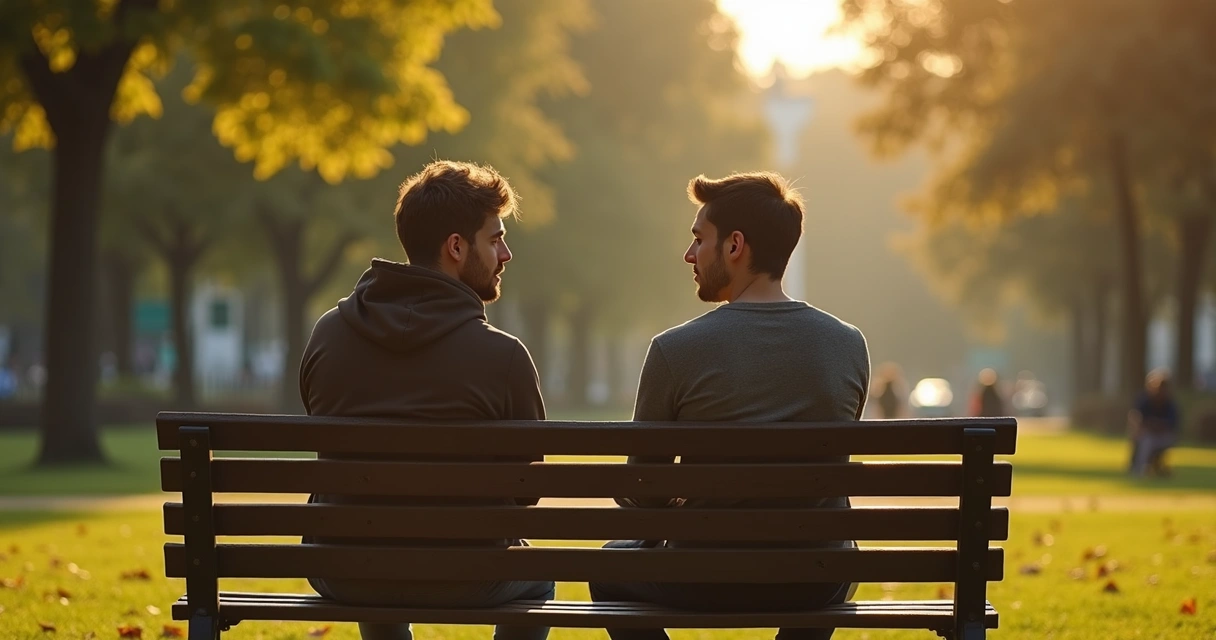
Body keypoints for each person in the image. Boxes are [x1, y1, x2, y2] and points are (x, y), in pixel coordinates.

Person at [589, 171, 871, 640]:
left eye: (699, 239)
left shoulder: (674, 350)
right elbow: (827, 467)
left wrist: (682, 500)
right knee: (833, 553)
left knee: (610, 566)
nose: (689, 254)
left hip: (701, 576)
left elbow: (642, 486)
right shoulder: (848, 346)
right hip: (815, 579)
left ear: (735, 246)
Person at [299, 160, 553, 640]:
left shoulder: (328, 337)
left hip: (344, 568)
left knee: (372, 550)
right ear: (456, 247)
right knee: (536, 579)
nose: (506, 253)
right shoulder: (503, 356)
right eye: (495, 238)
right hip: (468, 574)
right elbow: (526, 491)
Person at [1128, 369, 1180, 477]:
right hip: (1146, 435)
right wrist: (1140, 428)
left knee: (1152, 442)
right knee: (1146, 441)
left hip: (1163, 436)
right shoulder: (1144, 400)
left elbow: (1172, 424)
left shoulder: (1170, 403)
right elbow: (1135, 417)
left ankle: (1154, 466)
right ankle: (1139, 470)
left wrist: (1157, 425)